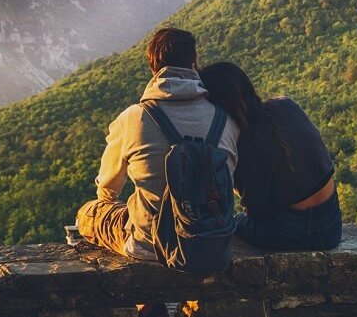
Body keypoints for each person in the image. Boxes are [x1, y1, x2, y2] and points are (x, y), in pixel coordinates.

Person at [75, 28, 240, 261]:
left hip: (149, 243)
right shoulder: (226, 120)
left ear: (153, 67)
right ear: (194, 63)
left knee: (89, 212)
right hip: (210, 242)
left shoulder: (134, 117)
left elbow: (108, 187)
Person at [199, 62, 342, 251]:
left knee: (236, 223)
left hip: (288, 232)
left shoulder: (245, 141)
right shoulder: (285, 105)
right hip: (332, 226)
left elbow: (256, 212)